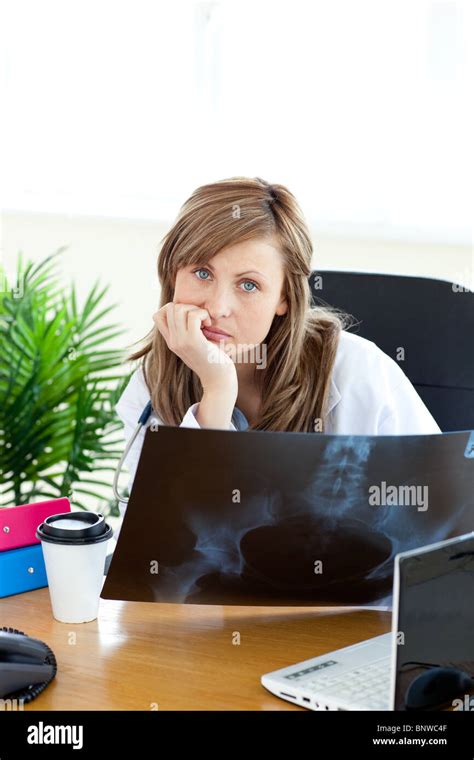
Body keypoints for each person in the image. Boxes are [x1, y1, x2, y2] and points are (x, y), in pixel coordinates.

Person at [115, 176, 441, 523]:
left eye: (249, 284)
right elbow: (162, 542)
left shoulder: (356, 370)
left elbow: (441, 513)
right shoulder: (153, 384)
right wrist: (218, 387)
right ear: (172, 272)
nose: (218, 306)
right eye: (202, 272)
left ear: (284, 297)